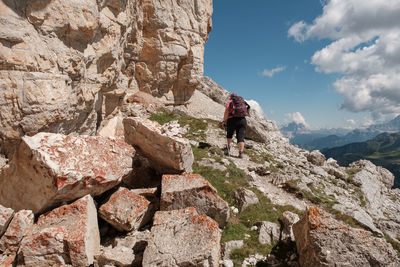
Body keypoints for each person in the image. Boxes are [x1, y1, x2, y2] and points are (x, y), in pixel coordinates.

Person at [222, 93, 250, 158]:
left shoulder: (230, 102)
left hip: (232, 120)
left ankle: (228, 148)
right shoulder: (242, 101)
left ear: (231, 97)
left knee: (229, 134)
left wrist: (224, 121)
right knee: (240, 137)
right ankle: (241, 152)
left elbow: (226, 111)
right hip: (242, 120)